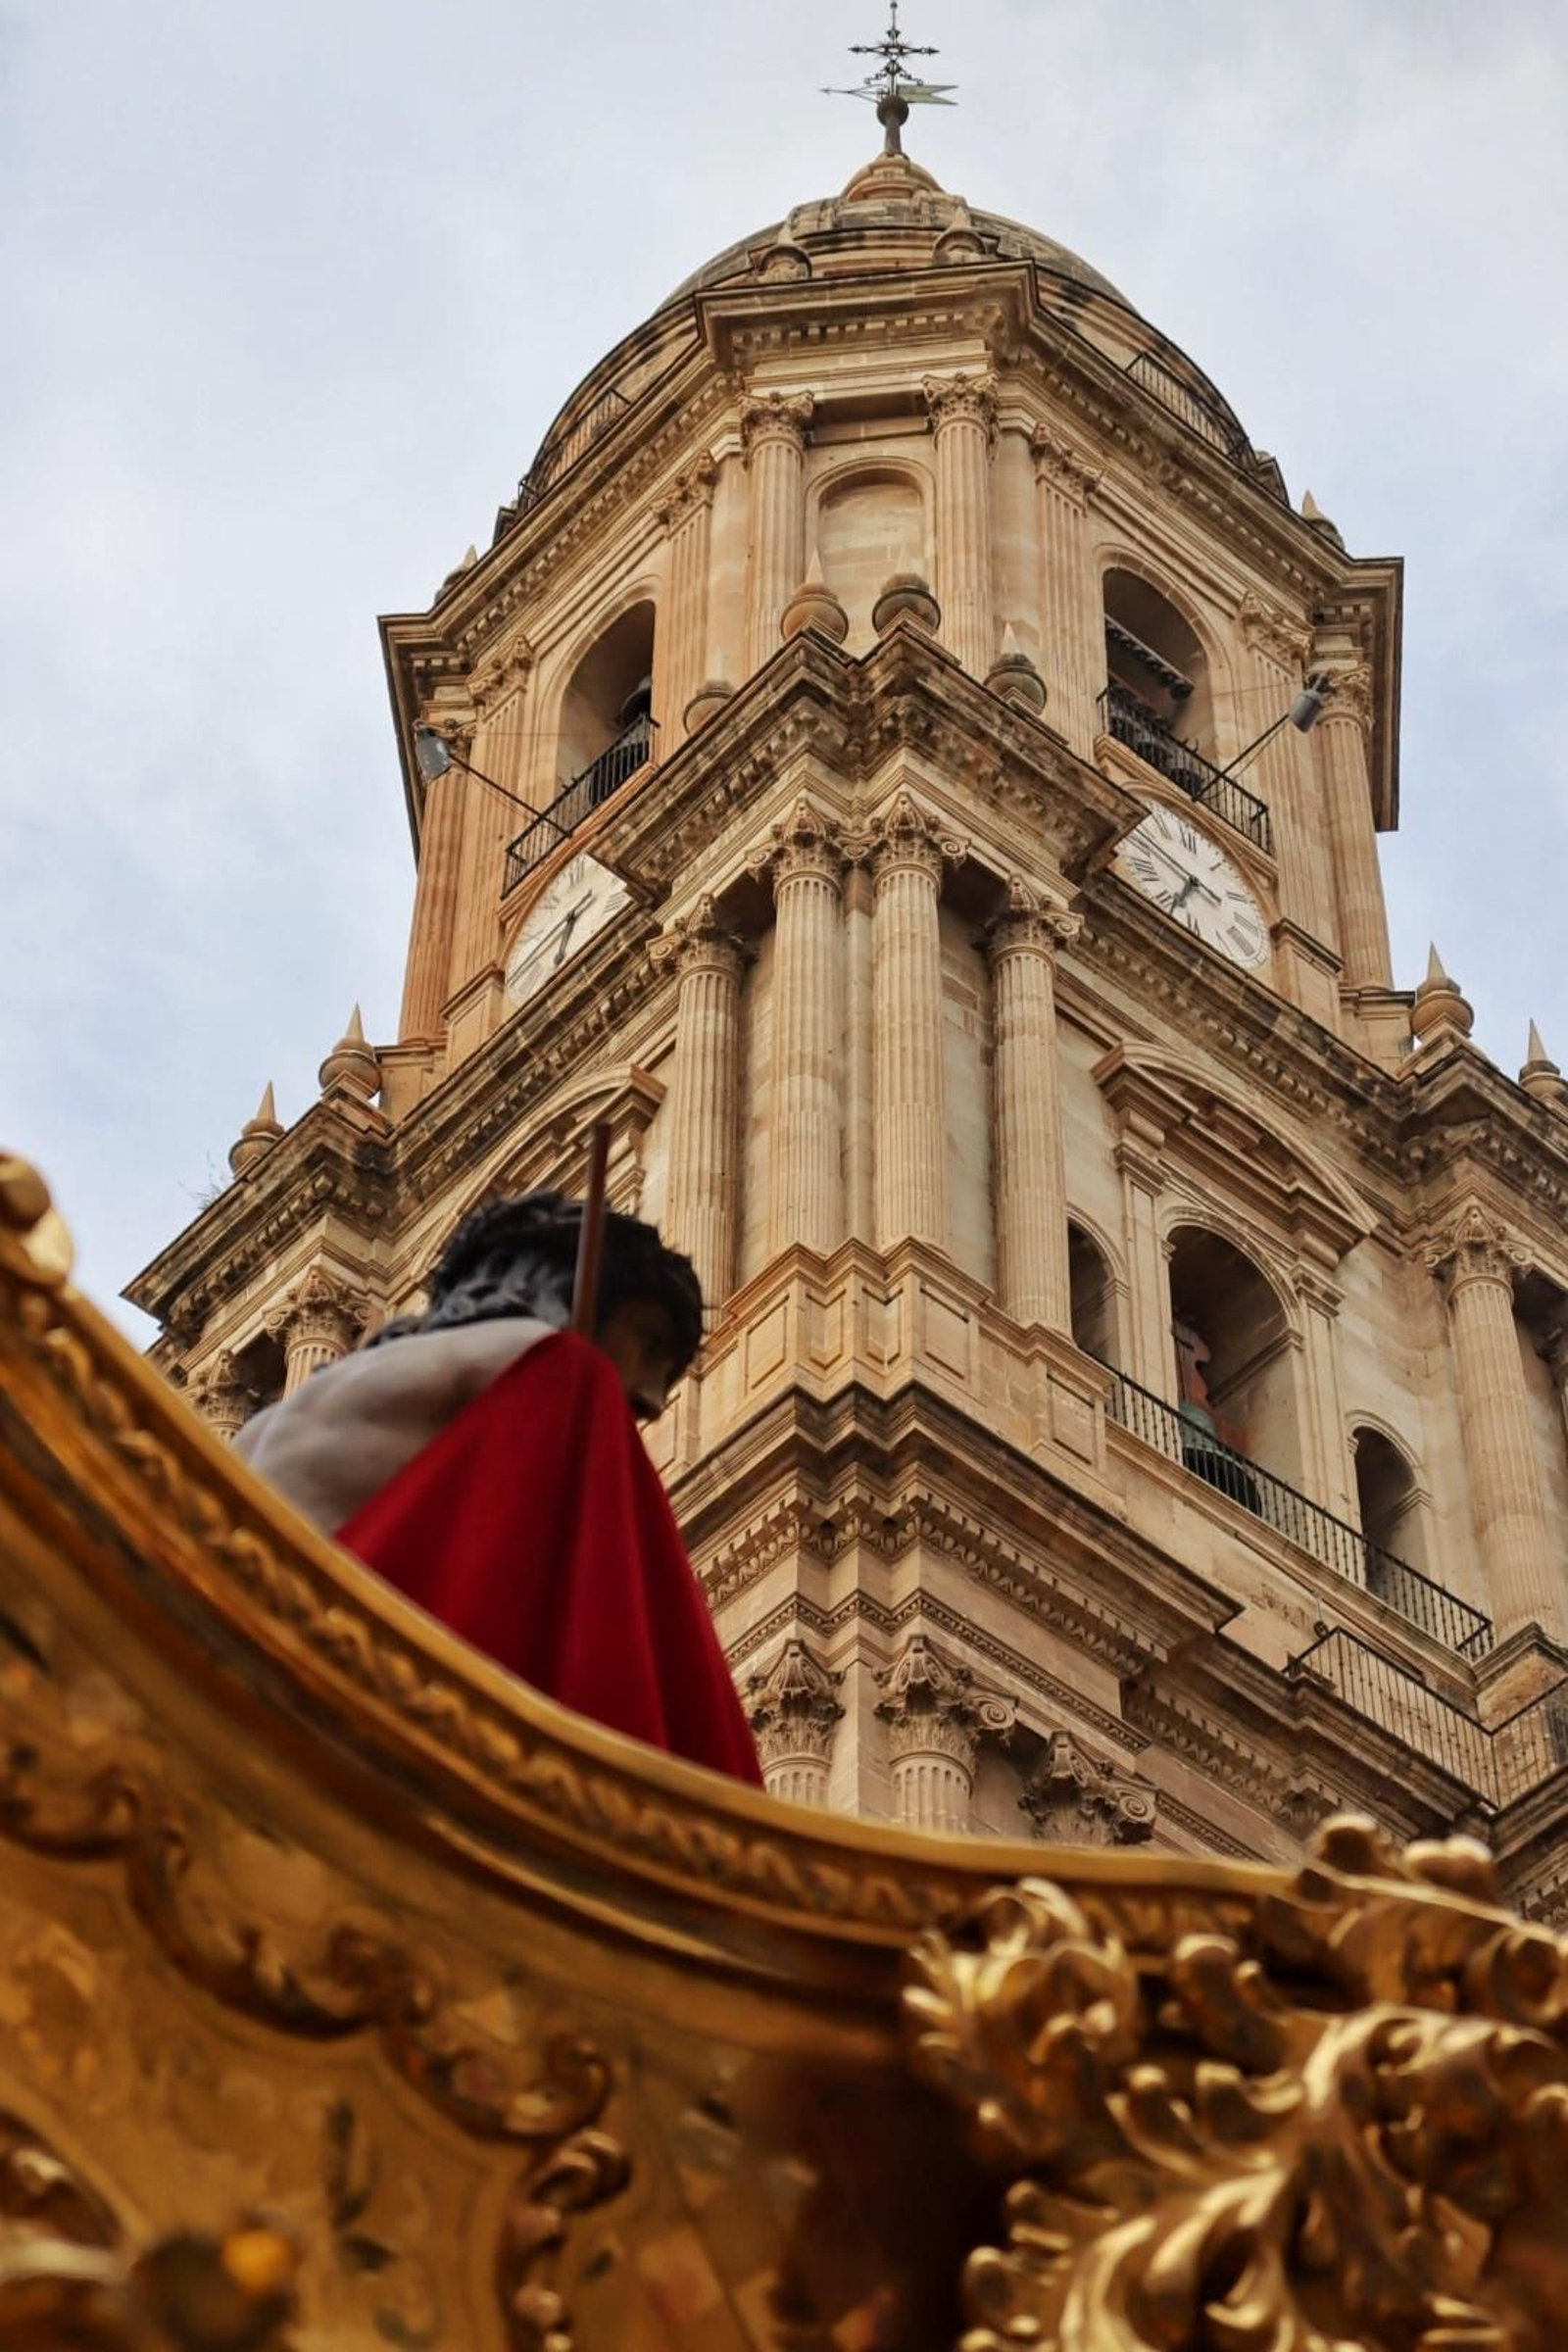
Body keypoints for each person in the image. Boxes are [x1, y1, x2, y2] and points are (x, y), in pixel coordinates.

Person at [234, 1192, 762, 1785]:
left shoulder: (314, 1398)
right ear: (573, 1295)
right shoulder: (555, 1374)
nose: (652, 1398)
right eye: (648, 1345)